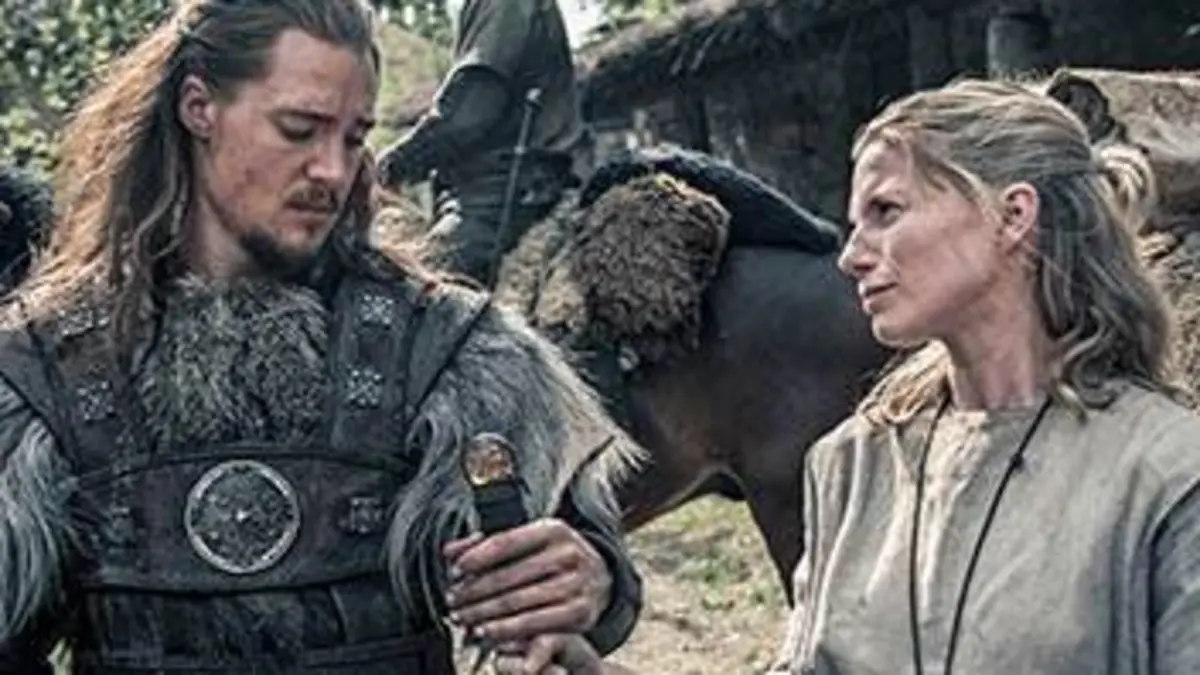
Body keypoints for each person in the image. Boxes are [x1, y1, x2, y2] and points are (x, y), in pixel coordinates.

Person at [0, 1, 645, 673]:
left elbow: (590, 569)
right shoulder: (43, 368)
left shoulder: (451, 351)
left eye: (354, 138)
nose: (334, 171)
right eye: (299, 129)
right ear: (199, 108)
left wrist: (590, 579)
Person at [493, 78, 1200, 674]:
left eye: (886, 212)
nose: (851, 255)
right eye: (855, 223)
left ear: (1012, 216)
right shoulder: (852, 464)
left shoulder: (1168, 475)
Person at [375, 0, 589, 288]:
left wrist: (393, 165)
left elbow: (469, 112)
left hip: (506, 189)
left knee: (426, 288)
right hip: (503, 183)